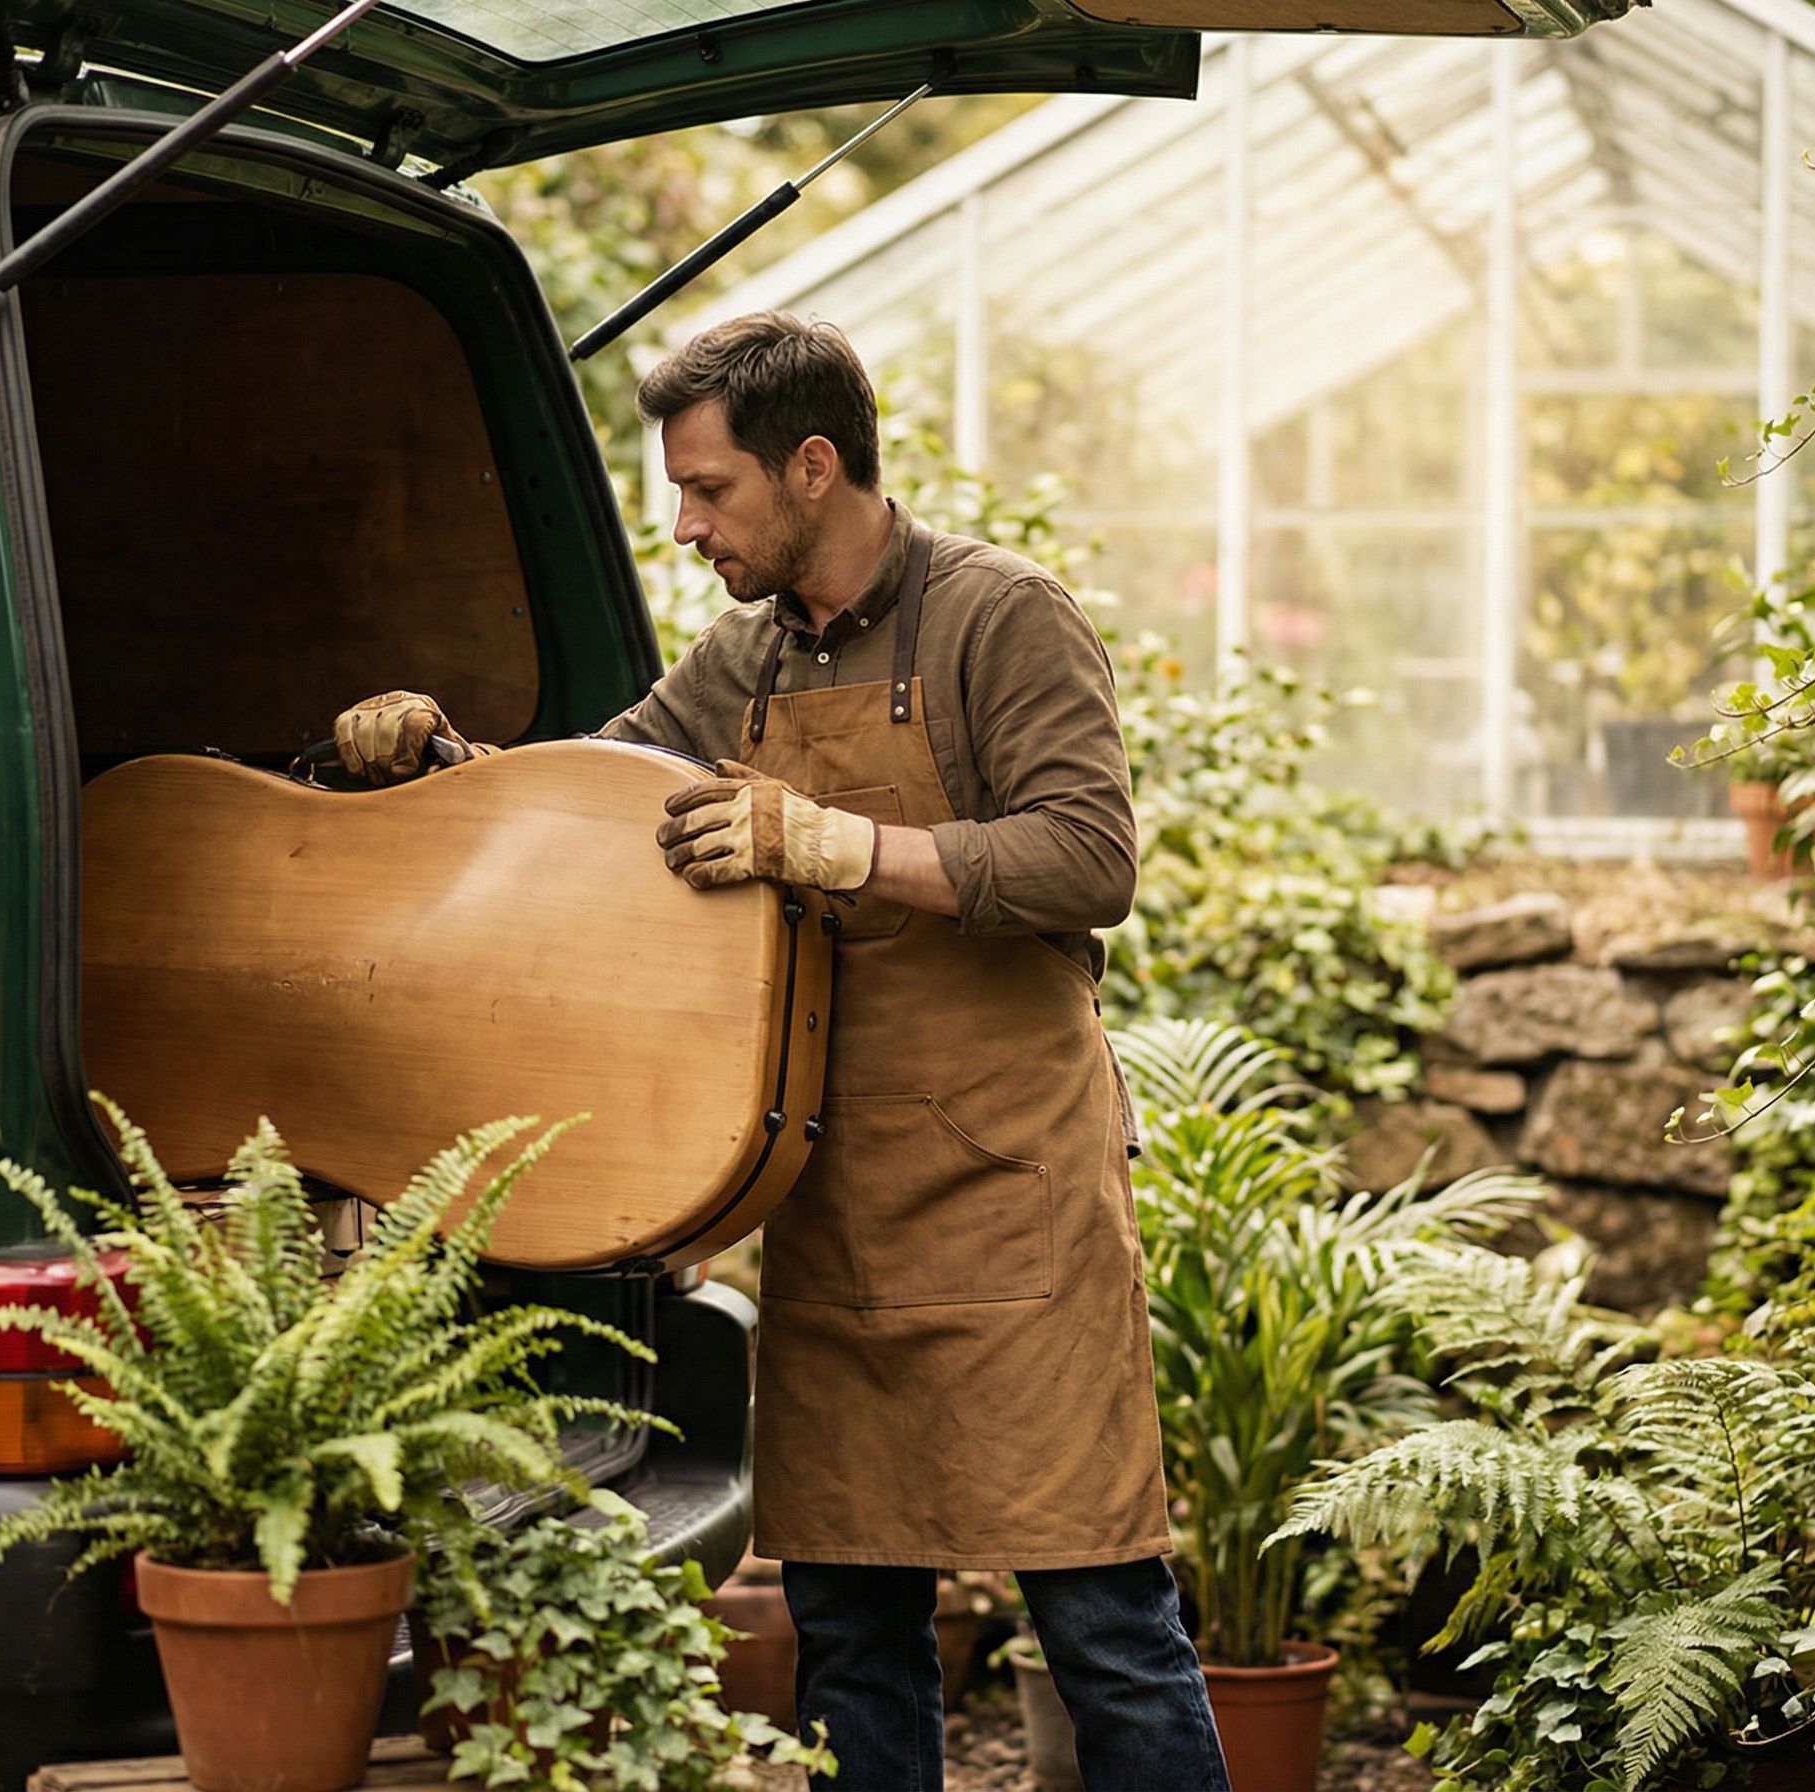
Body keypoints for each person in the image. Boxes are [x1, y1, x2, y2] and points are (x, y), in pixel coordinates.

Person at [334, 313, 1228, 1792]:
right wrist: (437, 767)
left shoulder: (1002, 618)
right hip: (827, 1202)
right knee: (848, 1621)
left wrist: (829, 843)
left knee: (1100, 1613)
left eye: (712, 490)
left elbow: (1087, 860)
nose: (685, 527)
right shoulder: (737, 663)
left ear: (814, 468)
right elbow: (585, 817)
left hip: (1014, 1193)